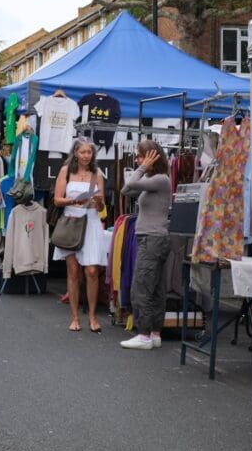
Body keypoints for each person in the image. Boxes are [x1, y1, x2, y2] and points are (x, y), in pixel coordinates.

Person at [119, 140, 173, 350]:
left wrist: (143, 167)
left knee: (141, 287)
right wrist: (144, 168)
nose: (137, 160)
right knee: (156, 288)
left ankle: (143, 335)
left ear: (153, 157)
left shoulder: (160, 179)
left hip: (152, 239)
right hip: (154, 239)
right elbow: (125, 190)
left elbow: (131, 183)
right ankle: (154, 333)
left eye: (141, 156)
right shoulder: (154, 181)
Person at [53, 138, 106, 333]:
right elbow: (57, 200)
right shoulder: (66, 171)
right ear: (75, 153)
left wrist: (98, 202)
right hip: (71, 224)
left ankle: (92, 316)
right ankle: (75, 317)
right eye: (82, 152)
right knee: (73, 272)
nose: (86, 156)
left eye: (89, 152)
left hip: (91, 222)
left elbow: (102, 206)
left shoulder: (97, 174)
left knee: (92, 271)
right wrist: (73, 201)